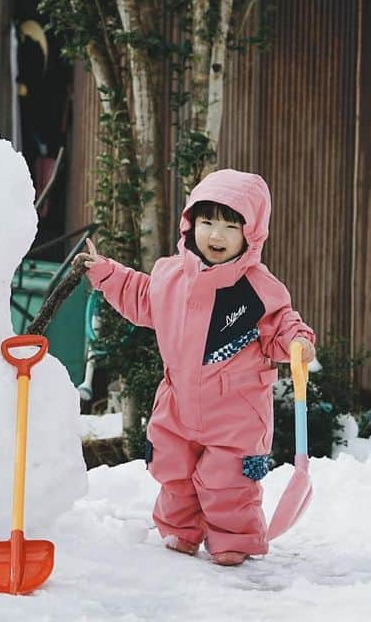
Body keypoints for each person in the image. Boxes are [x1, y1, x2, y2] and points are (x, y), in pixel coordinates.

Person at [78, 168, 315, 566]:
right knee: (173, 470)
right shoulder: (170, 275)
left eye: (229, 225)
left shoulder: (258, 286)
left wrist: (297, 341)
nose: (216, 236)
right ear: (191, 223)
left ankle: (233, 540)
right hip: (178, 402)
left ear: (251, 233)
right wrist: (105, 272)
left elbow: (282, 323)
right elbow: (140, 295)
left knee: (229, 481)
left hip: (236, 410)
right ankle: (180, 531)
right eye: (207, 222)